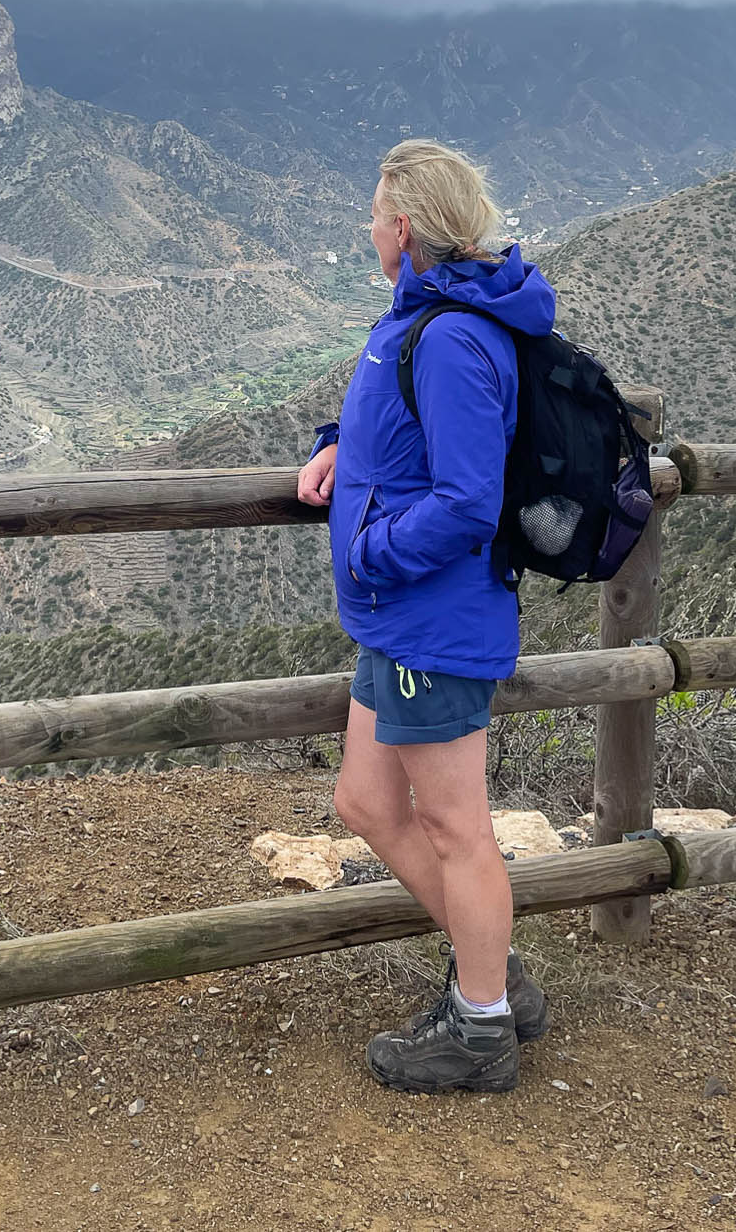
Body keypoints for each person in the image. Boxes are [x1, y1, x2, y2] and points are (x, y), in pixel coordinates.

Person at [297, 138, 557, 1093]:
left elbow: (465, 499)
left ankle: (481, 1028)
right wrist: (336, 445)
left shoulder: (449, 335)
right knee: (365, 803)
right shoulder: (423, 319)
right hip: (398, 621)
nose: (369, 231)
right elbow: (403, 428)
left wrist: (368, 550)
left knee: (457, 827)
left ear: (402, 228)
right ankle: (496, 979)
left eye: (373, 217)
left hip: (429, 622)